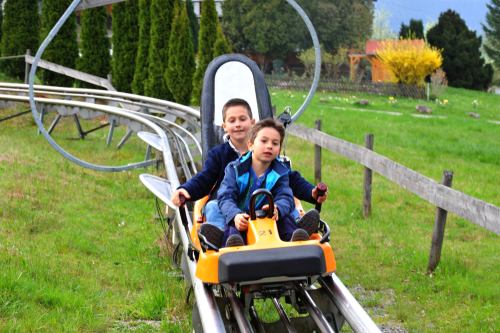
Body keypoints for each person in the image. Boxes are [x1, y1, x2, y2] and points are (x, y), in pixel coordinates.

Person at [171, 98, 328, 230]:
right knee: (212, 207)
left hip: (265, 206)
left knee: (289, 204)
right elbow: (205, 179)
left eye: (242, 119)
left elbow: (290, 179)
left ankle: (299, 233)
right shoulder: (219, 155)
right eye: (232, 121)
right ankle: (217, 238)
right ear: (224, 126)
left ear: (252, 122)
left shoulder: (267, 151)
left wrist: (311, 193)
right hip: (231, 204)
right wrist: (186, 189)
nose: (238, 124)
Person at [215, 118, 320, 248]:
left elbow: (285, 196)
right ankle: (232, 244)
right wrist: (235, 215)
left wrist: (278, 209)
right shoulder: (235, 169)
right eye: (264, 141)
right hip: (242, 217)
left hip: (269, 218)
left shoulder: (280, 172)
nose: (269, 146)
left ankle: (296, 240)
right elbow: (225, 196)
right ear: (251, 145)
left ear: (279, 150)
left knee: (286, 219)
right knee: (232, 228)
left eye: (275, 143)